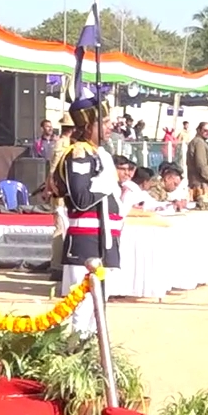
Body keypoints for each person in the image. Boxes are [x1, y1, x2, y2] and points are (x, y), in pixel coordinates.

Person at [53, 97, 121, 335]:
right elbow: (81, 198)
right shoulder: (79, 153)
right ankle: (75, 351)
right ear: (88, 126)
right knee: (82, 303)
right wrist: (105, 181)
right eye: (104, 121)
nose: (110, 126)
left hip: (106, 237)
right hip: (86, 238)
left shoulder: (99, 154)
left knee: (100, 302)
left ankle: (93, 348)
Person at [186, 123, 208, 206]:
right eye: (205, 130)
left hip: (202, 182)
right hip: (201, 184)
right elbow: (201, 164)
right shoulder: (199, 142)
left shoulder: (201, 142)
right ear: (198, 130)